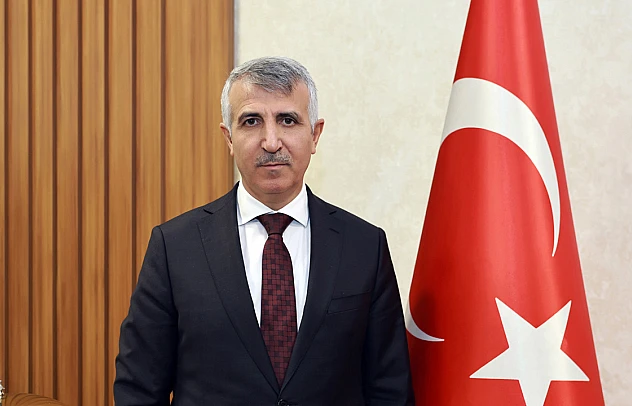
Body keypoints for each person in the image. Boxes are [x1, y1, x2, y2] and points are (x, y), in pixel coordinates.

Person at [114, 56, 414, 405]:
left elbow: (390, 389)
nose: (271, 142)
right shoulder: (175, 247)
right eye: (252, 121)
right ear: (229, 137)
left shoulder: (364, 246)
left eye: (288, 120)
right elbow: (139, 388)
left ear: (314, 135)